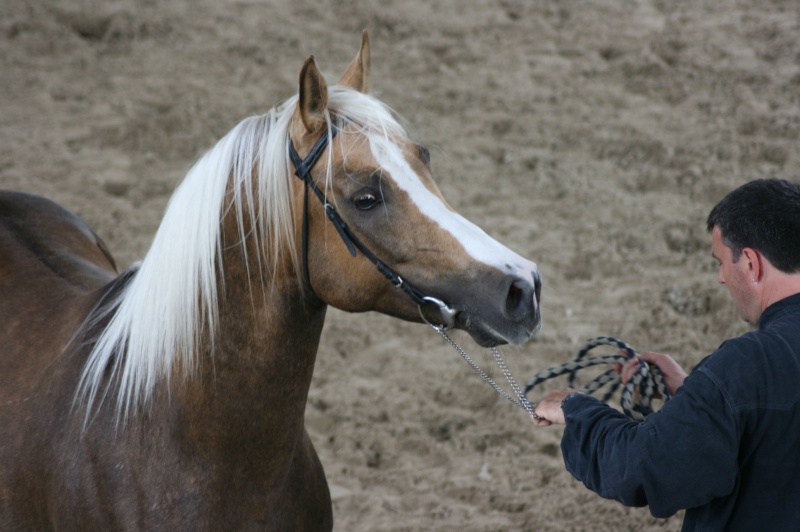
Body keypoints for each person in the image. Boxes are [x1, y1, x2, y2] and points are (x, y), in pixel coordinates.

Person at [532, 178, 800, 531]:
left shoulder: (744, 367)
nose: (721, 277)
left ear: (750, 264)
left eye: (721, 262)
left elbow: (646, 466)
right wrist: (694, 391)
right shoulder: (741, 380)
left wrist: (577, 409)